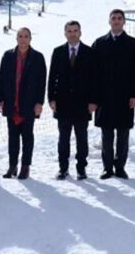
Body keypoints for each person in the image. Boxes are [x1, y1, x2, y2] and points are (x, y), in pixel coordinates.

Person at [91, 9, 135, 179]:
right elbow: (94, 74)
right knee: (107, 134)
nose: (117, 21)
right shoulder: (99, 43)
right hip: (104, 97)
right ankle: (107, 167)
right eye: (114, 18)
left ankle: (120, 167)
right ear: (109, 21)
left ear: (124, 21)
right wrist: (94, 98)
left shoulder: (134, 44)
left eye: (120, 18)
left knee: (123, 133)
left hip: (125, 97)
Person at [0, 27, 47, 180]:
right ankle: (12, 166)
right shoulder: (8, 55)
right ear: (16, 38)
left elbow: (41, 83)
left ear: (30, 39)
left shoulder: (37, 57)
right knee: (12, 137)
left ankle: (25, 166)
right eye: (20, 36)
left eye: (26, 36)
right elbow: (1, 78)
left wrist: (39, 102)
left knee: (27, 137)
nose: (23, 39)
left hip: (29, 104)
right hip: (12, 103)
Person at [48, 21, 96, 180]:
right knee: (63, 138)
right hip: (62, 103)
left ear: (80, 32)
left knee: (82, 138)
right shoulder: (58, 52)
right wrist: (51, 98)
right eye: (69, 31)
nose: (72, 33)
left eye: (75, 30)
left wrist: (93, 100)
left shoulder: (89, 52)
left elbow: (95, 79)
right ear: (65, 33)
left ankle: (81, 168)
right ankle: (63, 168)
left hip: (83, 104)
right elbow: (52, 77)